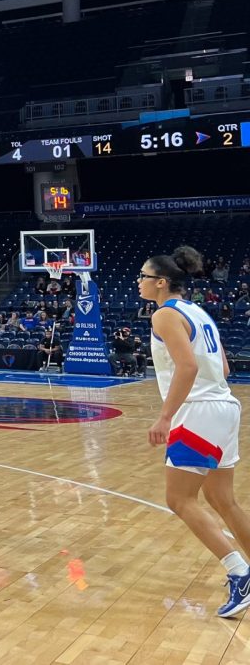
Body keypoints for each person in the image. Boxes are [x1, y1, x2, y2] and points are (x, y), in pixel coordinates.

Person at [140, 246, 250, 618]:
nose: (138, 282)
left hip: (197, 412)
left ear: (161, 282)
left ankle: (239, 573)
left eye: (143, 276)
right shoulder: (198, 312)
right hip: (224, 407)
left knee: (179, 500)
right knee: (223, 500)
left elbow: (186, 368)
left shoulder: (165, 315)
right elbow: (223, 366)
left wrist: (165, 416)